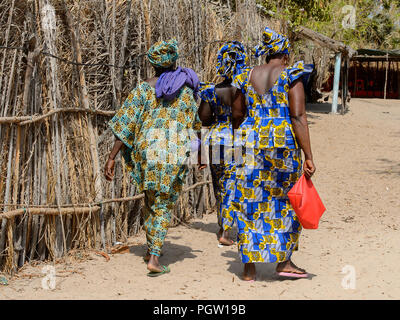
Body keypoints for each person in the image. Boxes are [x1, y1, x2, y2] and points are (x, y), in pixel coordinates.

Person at [104, 39, 204, 277]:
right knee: (163, 204)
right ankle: (155, 259)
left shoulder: (142, 89)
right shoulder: (186, 91)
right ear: (173, 61)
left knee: (151, 199)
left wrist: (111, 157)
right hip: (172, 153)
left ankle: (152, 250)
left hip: (148, 153)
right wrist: (200, 153)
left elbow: (125, 126)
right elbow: (194, 125)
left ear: (153, 64)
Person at [229, 27, 316, 281]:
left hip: (249, 142)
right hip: (282, 146)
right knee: (286, 202)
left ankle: (248, 268)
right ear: (285, 55)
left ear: (267, 54)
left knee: (249, 202)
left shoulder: (244, 75)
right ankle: (284, 262)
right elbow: (298, 116)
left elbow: (236, 114)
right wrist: (308, 154)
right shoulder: (291, 74)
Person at [198, 41, 250, 246]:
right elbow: (240, 116)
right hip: (233, 140)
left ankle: (222, 225)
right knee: (232, 186)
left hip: (213, 141)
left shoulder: (210, 91)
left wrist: (201, 151)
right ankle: (226, 232)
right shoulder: (242, 90)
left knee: (219, 185)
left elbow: (203, 119)